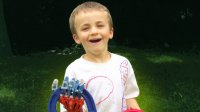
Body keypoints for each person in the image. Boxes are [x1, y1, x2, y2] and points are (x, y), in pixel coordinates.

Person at [61, 1, 142, 112]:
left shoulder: (123, 64)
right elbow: (69, 106)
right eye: (85, 28)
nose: (94, 31)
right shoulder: (74, 70)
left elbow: (129, 97)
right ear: (76, 38)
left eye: (100, 25)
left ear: (110, 32)